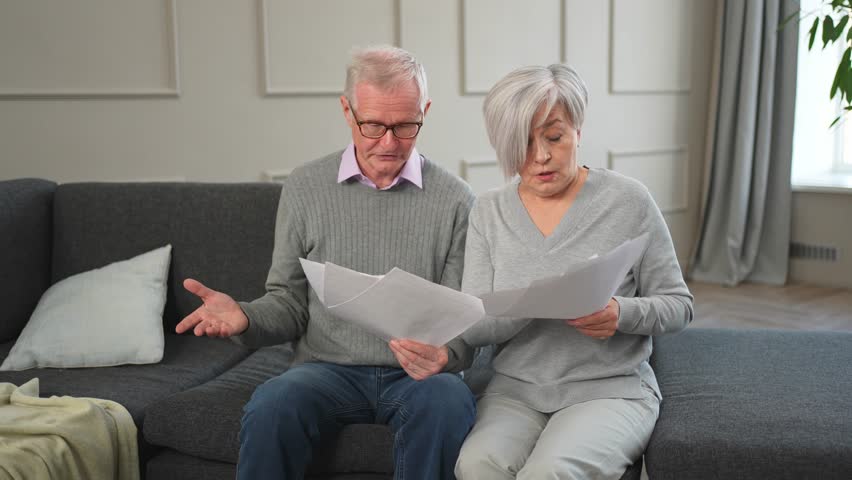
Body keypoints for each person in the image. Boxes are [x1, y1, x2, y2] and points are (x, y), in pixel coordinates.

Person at [175, 45, 476, 480]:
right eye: (373, 125)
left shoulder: (457, 199)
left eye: (407, 125)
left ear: (425, 111)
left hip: (420, 378)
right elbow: (288, 303)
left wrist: (446, 355)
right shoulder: (304, 187)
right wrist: (244, 317)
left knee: (448, 403)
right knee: (273, 405)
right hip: (325, 369)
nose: (390, 143)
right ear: (347, 110)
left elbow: (463, 318)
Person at [454, 64, 694, 479]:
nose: (541, 156)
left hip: (609, 389)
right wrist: (530, 303)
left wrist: (620, 313)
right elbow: (475, 327)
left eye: (554, 136)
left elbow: (679, 306)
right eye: (522, 143)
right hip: (515, 392)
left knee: (548, 474)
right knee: (475, 466)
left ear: (577, 130)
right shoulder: (488, 210)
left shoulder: (629, 200)